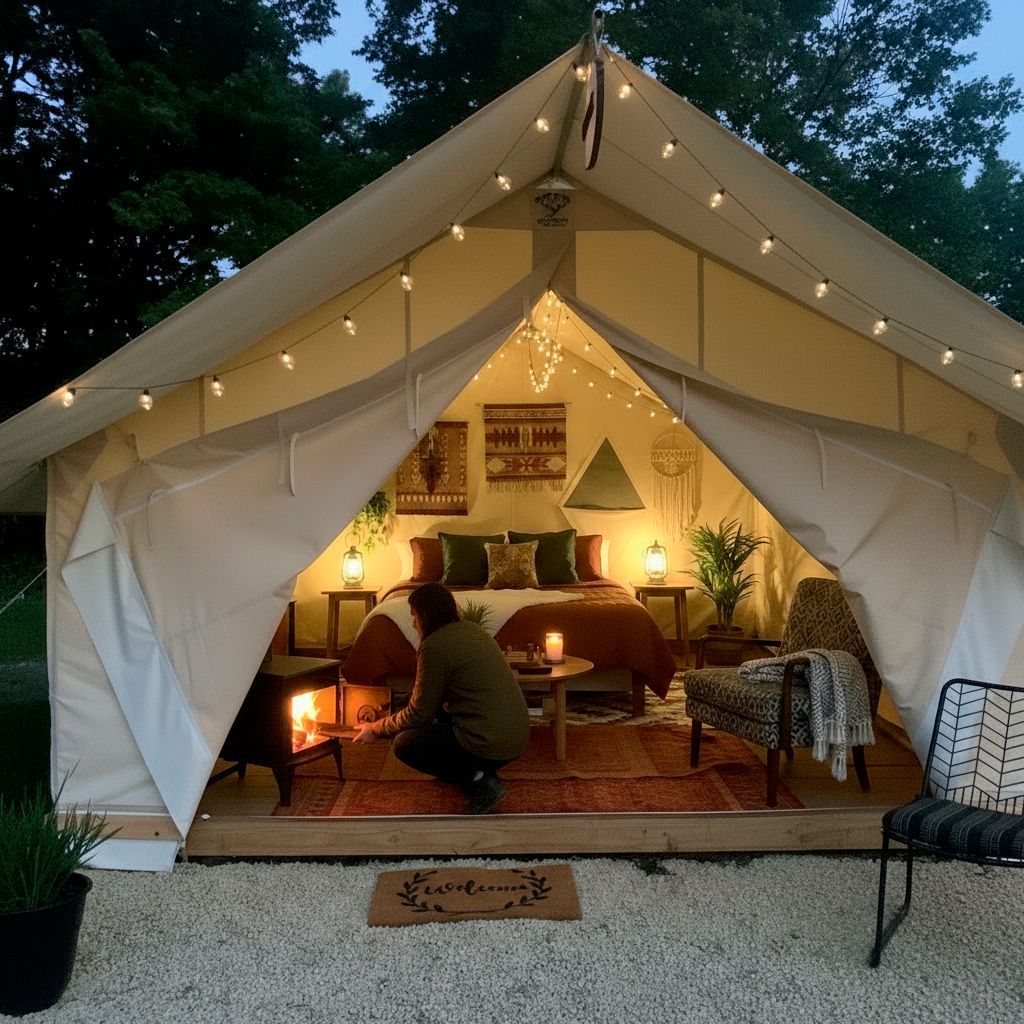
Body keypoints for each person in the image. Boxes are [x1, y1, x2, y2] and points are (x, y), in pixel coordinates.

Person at [351, 582, 530, 814]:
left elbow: (418, 714)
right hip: (517, 737)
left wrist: (377, 728)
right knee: (438, 713)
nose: (413, 623)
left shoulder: (434, 646)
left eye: (414, 616)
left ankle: (479, 780)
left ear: (426, 615)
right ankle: (475, 770)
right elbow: (428, 695)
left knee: (405, 744)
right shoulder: (473, 629)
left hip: (488, 741)